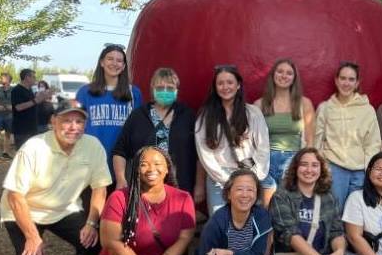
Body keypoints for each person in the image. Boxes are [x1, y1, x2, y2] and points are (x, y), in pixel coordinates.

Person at [0, 105, 111, 255]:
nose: (73, 127)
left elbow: (100, 189)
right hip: (23, 208)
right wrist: (32, 236)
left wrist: (91, 223)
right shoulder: (34, 147)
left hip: (63, 209)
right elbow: (15, 195)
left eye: (79, 122)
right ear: (53, 121)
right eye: (67, 121)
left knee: (92, 244)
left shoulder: (93, 146)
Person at [112, 68, 201, 201]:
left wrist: (200, 185)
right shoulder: (138, 116)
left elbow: (199, 154)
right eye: (160, 87)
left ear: (177, 90)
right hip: (144, 188)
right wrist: (120, 180)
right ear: (152, 89)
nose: (165, 91)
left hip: (179, 188)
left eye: (170, 88)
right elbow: (120, 151)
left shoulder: (187, 116)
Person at [195, 65, 271, 213]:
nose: (225, 87)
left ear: (238, 85)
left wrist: (251, 178)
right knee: (221, 226)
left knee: (248, 225)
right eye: (220, 83)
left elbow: (263, 148)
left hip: (248, 177)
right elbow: (205, 153)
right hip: (218, 180)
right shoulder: (205, 115)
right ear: (215, 87)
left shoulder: (253, 113)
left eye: (230, 82)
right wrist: (227, 179)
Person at [314, 62, 382, 208]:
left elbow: (373, 143)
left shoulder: (367, 110)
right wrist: (322, 168)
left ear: (357, 83)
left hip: (360, 172)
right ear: (336, 80)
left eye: (351, 79)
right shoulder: (325, 108)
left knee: (355, 216)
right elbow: (317, 141)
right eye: (343, 78)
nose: (346, 83)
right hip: (334, 169)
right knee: (334, 213)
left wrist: (369, 171)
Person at [76, 44, 143, 174]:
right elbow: (77, 126)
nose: (114, 63)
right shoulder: (85, 92)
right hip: (92, 161)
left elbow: (138, 129)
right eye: (110, 59)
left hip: (122, 162)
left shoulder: (134, 93)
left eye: (119, 60)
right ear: (102, 62)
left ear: (124, 66)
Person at [254, 59, 315, 194]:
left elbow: (310, 141)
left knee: (288, 206)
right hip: (266, 162)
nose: (284, 76)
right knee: (268, 208)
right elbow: (254, 141)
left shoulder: (304, 103)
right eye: (280, 71)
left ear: (294, 78)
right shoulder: (259, 105)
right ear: (273, 75)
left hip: (293, 161)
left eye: (289, 73)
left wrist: (303, 165)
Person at [11, 69, 53, 150]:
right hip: (22, 130)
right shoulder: (17, 90)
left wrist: (43, 96)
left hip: (32, 128)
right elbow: (18, 107)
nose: (35, 79)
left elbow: (34, 103)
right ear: (27, 77)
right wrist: (35, 100)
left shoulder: (30, 90)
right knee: (23, 153)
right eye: (33, 77)